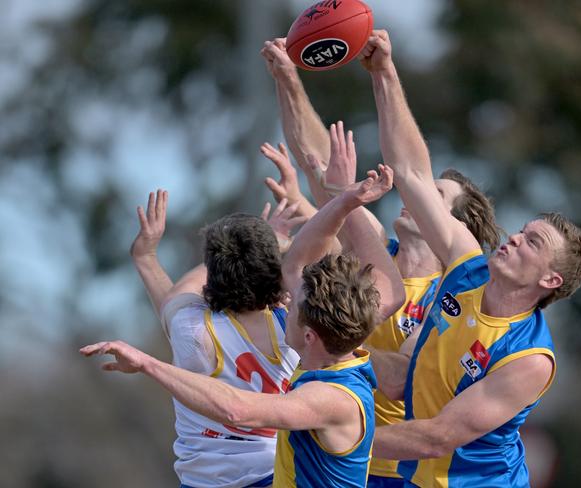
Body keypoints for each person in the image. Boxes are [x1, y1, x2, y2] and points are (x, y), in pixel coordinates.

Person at [83, 134, 406, 488]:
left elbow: (236, 407)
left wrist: (147, 259)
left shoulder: (194, 329)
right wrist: (342, 199)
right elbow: (308, 257)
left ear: (310, 333)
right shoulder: (314, 330)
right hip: (269, 473)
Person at [357, 29, 581, 487]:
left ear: (550, 281)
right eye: (522, 231)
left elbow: (437, 437)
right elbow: (410, 172)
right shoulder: (468, 266)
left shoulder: (528, 358)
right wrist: (384, 73)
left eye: (533, 243)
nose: (514, 239)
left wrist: (335, 434)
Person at [261, 38, 502, 487]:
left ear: (455, 223)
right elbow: (323, 166)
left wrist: (324, 328)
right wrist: (288, 81)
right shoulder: (375, 257)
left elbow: (397, 379)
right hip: (329, 446)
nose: (418, 198)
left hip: (392, 466)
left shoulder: (450, 294)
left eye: (436, 196)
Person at [129, 190, 306, 488]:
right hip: (277, 475)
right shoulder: (295, 324)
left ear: (212, 270)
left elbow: (178, 295)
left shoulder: (192, 330)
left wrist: (145, 257)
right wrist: (268, 246)